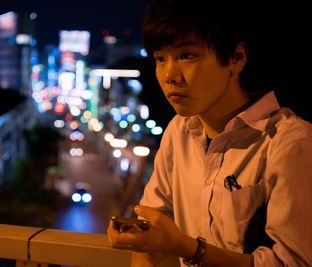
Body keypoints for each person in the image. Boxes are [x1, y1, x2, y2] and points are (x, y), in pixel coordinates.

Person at [107, 0, 312, 266]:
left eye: (186, 55)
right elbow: (150, 228)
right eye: (160, 58)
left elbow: (293, 262)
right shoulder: (178, 132)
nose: (170, 75)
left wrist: (190, 249)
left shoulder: (288, 142)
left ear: (236, 58)